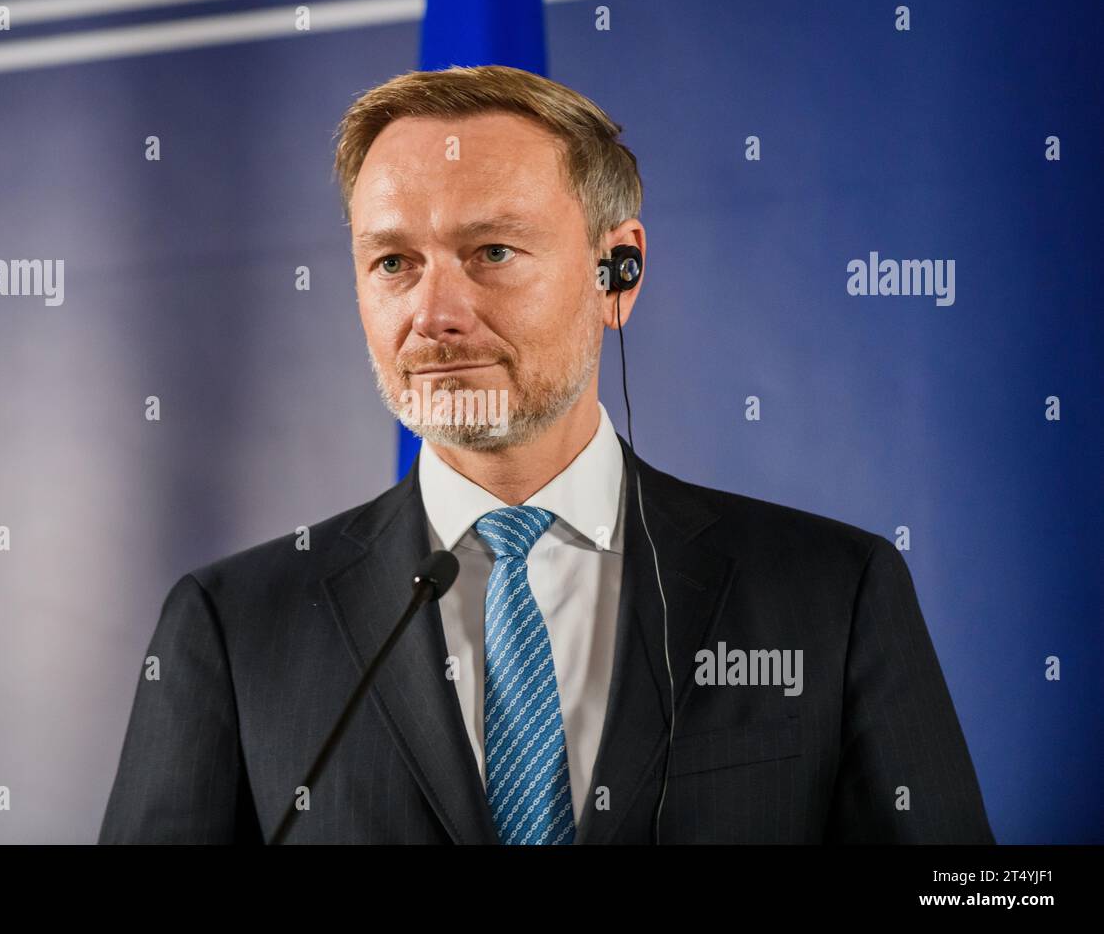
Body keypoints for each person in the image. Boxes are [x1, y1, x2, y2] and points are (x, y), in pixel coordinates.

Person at [99, 64, 994, 844]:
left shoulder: (832, 592)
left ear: (618, 273)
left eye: (491, 251)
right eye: (393, 263)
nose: (435, 316)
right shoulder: (230, 626)